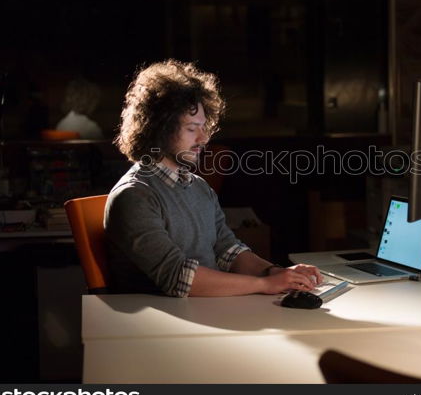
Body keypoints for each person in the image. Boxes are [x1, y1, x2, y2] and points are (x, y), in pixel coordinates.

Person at [105, 59, 322, 297]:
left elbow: (227, 250)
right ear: (160, 128)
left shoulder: (198, 187)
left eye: (203, 126)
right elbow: (179, 277)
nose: (204, 138)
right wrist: (264, 285)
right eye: (191, 128)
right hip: (161, 324)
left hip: (204, 312)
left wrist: (276, 274)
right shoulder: (134, 195)